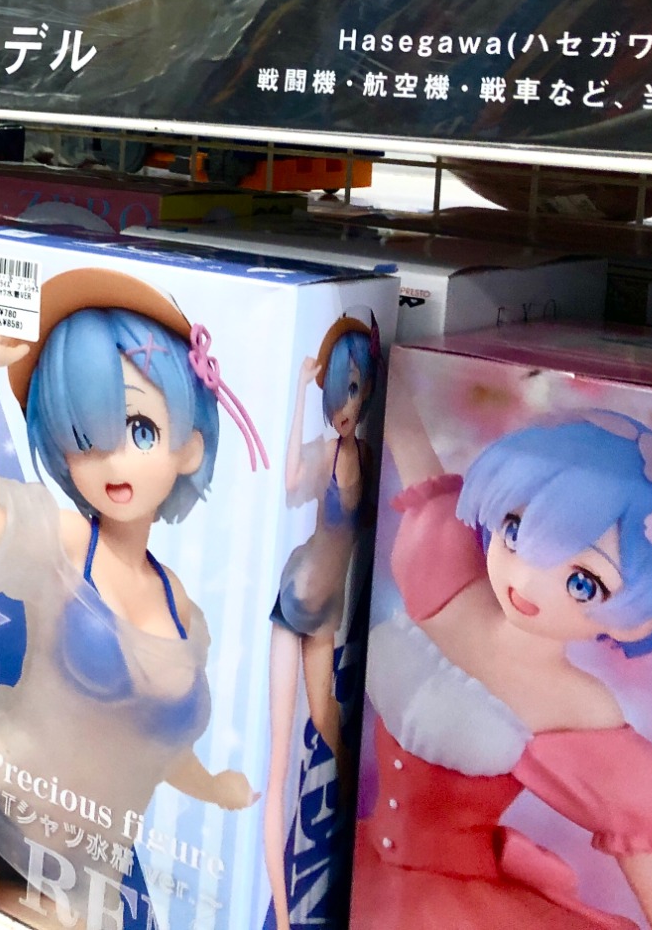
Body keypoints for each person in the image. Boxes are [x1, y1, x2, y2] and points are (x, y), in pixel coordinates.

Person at [0, 268, 265, 929]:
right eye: (85, 437)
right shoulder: (68, 538)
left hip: (76, 869)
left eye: (139, 430)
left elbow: (155, 745)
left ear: (189, 446)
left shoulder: (184, 609)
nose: (113, 461)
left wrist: (214, 788)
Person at [355, 412, 652, 930]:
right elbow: (406, 430)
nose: (526, 581)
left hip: (450, 905)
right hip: (360, 857)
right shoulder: (450, 578)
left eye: (582, 583)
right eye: (516, 531)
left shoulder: (575, 706)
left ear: (636, 620)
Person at [264, 316, 378, 929]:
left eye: (354, 390)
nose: (344, 406)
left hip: (330, 606)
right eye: (338, 392)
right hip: (296, 600)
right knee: (280, 761)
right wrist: (296, 394)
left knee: (330, 726)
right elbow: (287, 485)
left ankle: (361, 850)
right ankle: (282, 921)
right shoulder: (326, 452)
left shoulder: (367, 454)